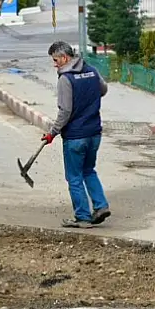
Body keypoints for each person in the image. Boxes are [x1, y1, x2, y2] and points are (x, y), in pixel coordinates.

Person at [42, 41, 111, 228]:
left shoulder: (66, 79)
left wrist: (52, 133)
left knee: (74, 177)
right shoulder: (91, 70)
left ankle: (82, 217)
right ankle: (101, 205)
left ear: (65, 58)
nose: (54, 64)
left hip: (75, 136)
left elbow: (65, 111)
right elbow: (103, 90)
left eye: (56, 60)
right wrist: (88, 96)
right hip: (94, 133)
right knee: (89, 170)